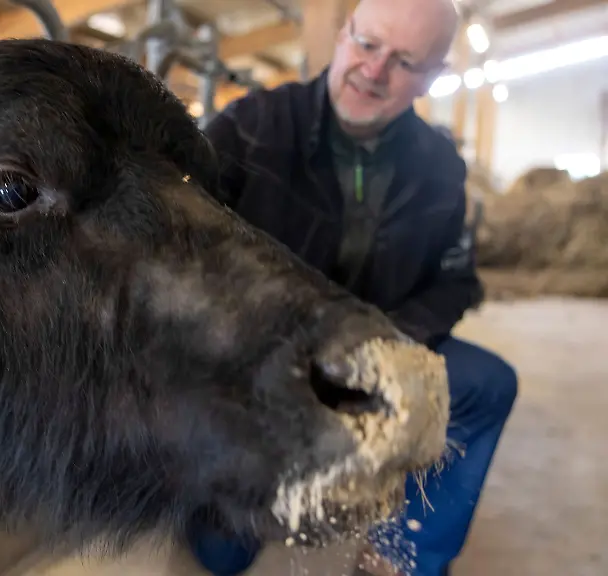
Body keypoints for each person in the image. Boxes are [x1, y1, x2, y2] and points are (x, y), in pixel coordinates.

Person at [185, 0, 518, 574]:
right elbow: (178, 242)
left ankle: (404, 554)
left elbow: (457, 282)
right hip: (262, 358)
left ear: (433, 76)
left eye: (405, 60)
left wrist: (386, 342)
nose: (375, 70)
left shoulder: (440, 165)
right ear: (343, 36)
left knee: (487, 384)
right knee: (221, 555)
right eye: (367, 44)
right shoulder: (251, 127)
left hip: (374, 349)